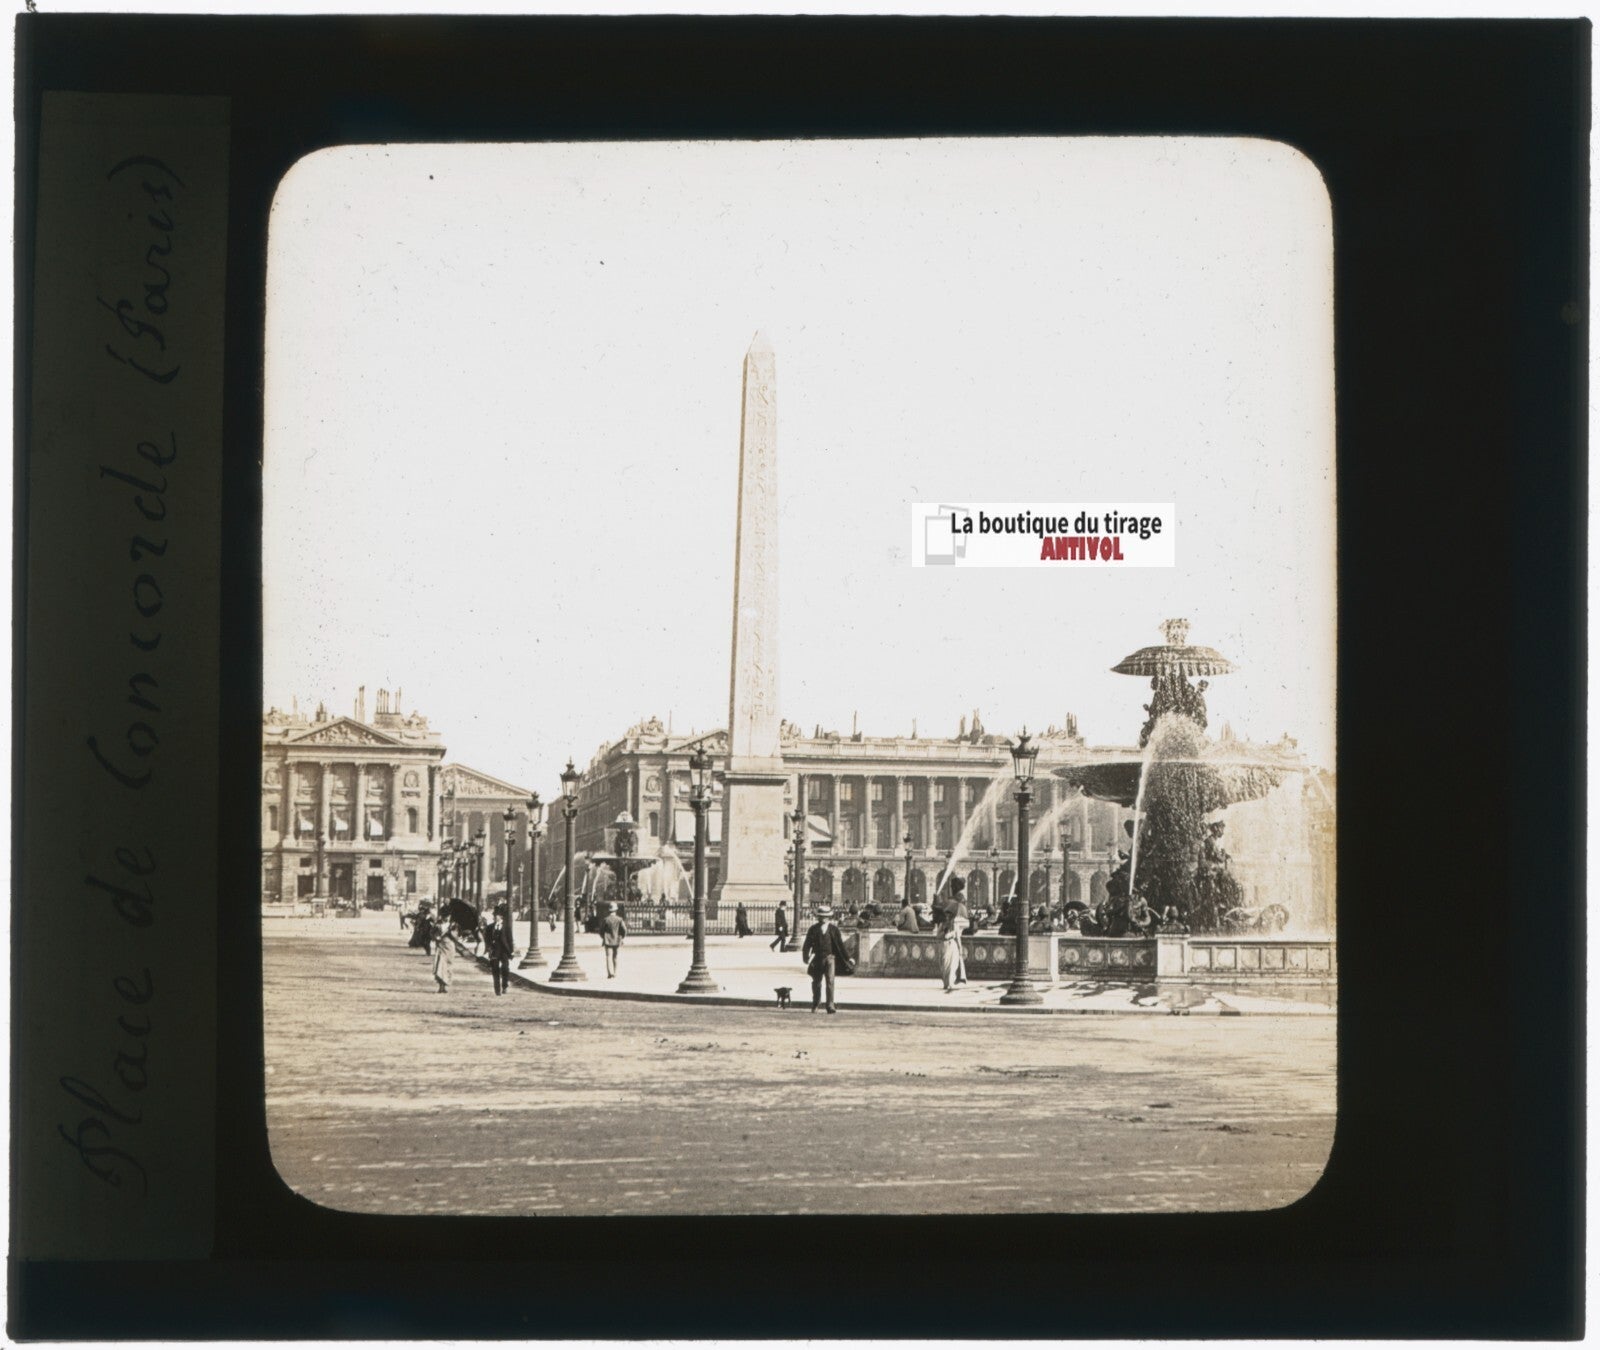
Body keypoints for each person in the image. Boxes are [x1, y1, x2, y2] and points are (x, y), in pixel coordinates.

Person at [801, 905, 855, 1013]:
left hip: (830, 959)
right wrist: (805, 957)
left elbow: (840, 945)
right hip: (817, 958)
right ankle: (816, 1003)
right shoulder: (813, 929)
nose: (823, 919)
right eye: (821, 916)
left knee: (830, 982)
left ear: (829, 917)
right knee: (816, 982)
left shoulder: (834, 930)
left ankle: (830, 1005)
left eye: (825, 916)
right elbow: (807, 944)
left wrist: (848, 958)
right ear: (818, 917)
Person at [940, 877, 970, 992]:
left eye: (953, 886)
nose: (952, 888)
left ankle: (950, 981)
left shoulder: (958, 899)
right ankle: (951, 981)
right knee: (950, 961)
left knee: (950, 961)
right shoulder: (957, 899)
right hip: (954, 931)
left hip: (954, 931)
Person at [486, 901, 515, 995]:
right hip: (495, 951)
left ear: (501, 916)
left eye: (496, 915)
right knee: (495, 969)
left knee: (505, 968)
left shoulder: (506, 927)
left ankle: (505, 986)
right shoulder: (490, 927)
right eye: (494, 915)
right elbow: (487, 940)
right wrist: (489, 949)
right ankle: (497, 989)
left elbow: (510, 939)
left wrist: (512, 951)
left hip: (504, 951)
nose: (495, 917)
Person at [599, 902, 627, 978]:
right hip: (617, 940)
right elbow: (624, 930)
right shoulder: (619, 919)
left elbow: (601, 930)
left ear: (609, 910)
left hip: (607, 940)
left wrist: (603, 937)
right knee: (615, 957)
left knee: (608, 956)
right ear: (616, 910)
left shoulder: (606, 919)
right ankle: (615, 972)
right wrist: (622, 937)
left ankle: (609, 973)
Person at [431, 918, 454, 994]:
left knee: (447, 966)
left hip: (449, 947)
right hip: (440, 946)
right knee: (440, 965)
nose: (447, 918)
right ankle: (441, 986)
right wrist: (436, 937)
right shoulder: (437, 925)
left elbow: (456, 936)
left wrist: (450, 932)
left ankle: (444, 985)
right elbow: (431, 934)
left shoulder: (453, 925)